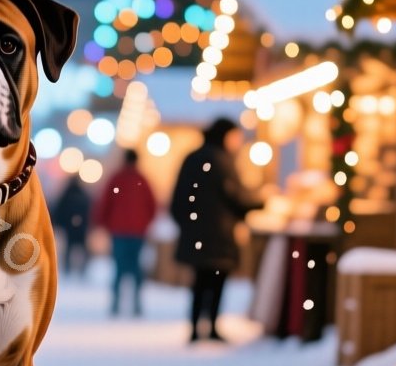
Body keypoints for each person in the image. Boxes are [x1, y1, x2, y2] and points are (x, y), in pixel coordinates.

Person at [169, 117, 255, 343]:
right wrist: (260, 203)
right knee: (216, 280)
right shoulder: (222, 161)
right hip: (220, 235)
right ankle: (213, 326)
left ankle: (196, 328)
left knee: (199, 282)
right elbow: (236, 198)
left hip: (196, 234)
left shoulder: (192, 158)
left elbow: (178, 199)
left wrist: (187, 225)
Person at [95, 148, 158, 317]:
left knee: (119, 268)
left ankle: (115, 303)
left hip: (119, 230)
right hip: (138, 231)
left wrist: (102, 222)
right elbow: (152, 205)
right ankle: (137, 303)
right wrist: (145, 223)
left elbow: (105, 202)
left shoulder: (116, 178)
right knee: (136, 267)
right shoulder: (142, 180)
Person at [51, 176, 92, 278]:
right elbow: (89, 210)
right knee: (82, 248)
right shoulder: (83, 195)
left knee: (69, 248)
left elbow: (58, 210)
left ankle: (68, 268)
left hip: (69, 227)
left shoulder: (66, 195)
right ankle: (82, 269)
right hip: (81, 227)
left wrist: (57, 223)